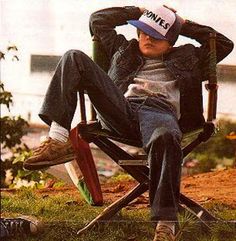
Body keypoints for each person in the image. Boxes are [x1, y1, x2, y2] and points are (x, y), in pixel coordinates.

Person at [23, 5, 233, 241]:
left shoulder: (189, 56)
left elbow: (223, 43)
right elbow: (98, 20)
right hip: (121, 109)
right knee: (73, 56)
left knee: (165, 136)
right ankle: (58, 140)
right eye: (144, 31)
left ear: (171, 40)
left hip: (160, 114)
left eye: (156, 34)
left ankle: (165, 223)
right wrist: (138, 12)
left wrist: (181, 24)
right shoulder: (122, 48)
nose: (147, 38)